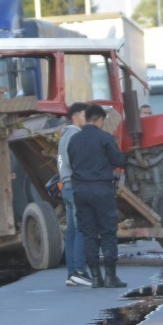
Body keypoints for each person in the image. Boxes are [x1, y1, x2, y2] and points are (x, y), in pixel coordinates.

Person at [68, 103, 127, 288]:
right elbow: (119, 160)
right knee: (108, 231)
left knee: (89, 233)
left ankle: (95, 277)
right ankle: (110, 276)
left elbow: (72, 162)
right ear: (101, 119)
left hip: (80, 191)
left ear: (86, 119)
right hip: (101, 190)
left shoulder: (74, 140)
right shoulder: (105, 138)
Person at [57, 102, 91, 287]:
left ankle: (71, 274)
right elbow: (75, 161)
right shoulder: (75, 135)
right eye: (85, 117)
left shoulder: (63, 136)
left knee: (71, 231)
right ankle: (80, 271)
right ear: (76, 117)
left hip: (66, 185)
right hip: (75, 184)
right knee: (81, 229)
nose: (86, 121)